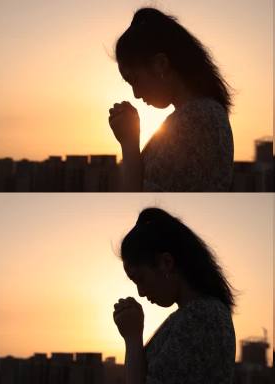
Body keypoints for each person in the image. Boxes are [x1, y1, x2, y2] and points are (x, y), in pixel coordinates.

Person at [108, 8, 234, 191]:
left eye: (134, 80)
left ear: (160, 65)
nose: (135, 94)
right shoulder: (202, 114)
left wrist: (129, 142)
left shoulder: (196, 121)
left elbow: (138, 198)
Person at [112, 208, 236, 384]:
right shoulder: (198, 314)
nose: (140, 292)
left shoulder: (202, 318)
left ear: (166, 263)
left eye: (140, 279)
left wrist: (132, 337)